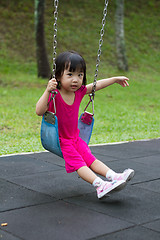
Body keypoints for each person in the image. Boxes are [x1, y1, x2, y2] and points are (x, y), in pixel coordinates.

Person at [36, 50, 134, 199]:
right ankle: (100, 185)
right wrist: (47, 90)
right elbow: (39, 111)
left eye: (80, 75)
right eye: (70, 74)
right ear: (58, 76)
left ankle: (114, 176)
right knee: (79, 164)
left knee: (91, 159)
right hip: (62, 141)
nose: (75, 79)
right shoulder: (54, 94)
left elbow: (97, 85)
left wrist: (114, 79)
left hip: (75, 139)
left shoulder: (79, 92)